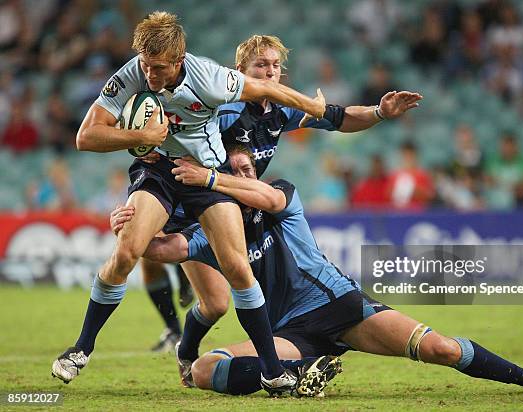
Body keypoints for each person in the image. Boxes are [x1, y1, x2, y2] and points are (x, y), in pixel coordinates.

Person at [111, 145, 523, 397]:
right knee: (202, 370)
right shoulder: (214, 233)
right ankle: (299, 374)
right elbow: (165, 247)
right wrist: (128, 225)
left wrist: (214, 179)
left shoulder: (279, 195)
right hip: (289, 335)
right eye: (233, 168)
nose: (245, 173)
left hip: (341, 308)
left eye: (247, 167)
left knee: (440, 348)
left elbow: (268, 197)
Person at [51, 11, 330, 396]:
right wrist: (140, 135)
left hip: (203, 174)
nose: (149, 76)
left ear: (179, 62)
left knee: (236, 267)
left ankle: (271, 370)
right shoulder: (131, 74)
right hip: (159, 172)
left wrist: (312, 107)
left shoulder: (211, 78)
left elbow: (267, 90)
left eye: (159, 69)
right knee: (128, 249)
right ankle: (81, 348)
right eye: (146, 66)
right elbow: (86, 136)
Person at [137, 34, 422, 372]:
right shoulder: (225, 111)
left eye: (275, 65)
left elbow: (339, 117)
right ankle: (190, 353)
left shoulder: (281, 109)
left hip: (231, 207)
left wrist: (378, 112)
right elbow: (176, 133)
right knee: (212, 300)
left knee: (220, 300)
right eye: (261, 65)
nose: (270, 71)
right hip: (195, 210)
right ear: (240, 70)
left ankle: (212, 354)